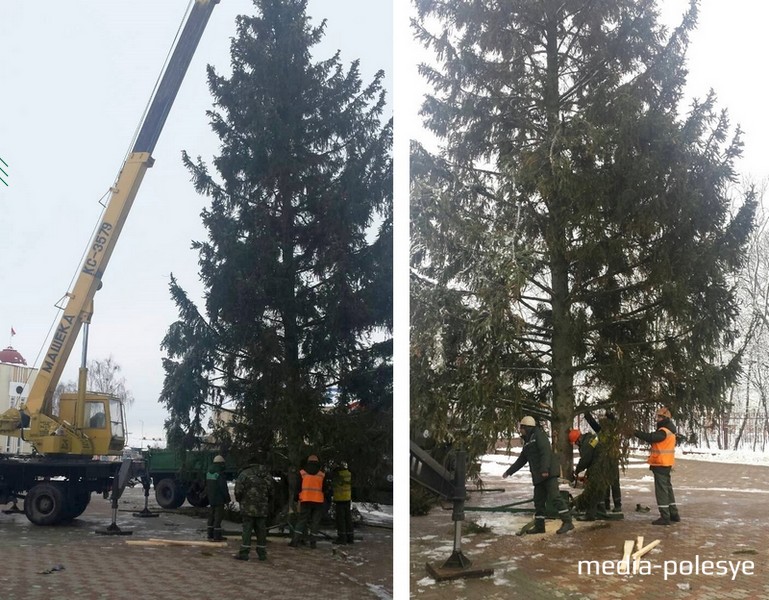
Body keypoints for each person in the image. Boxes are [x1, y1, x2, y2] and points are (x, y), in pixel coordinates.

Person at [502, 416, 574, 534]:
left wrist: (545, 469)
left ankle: (567, 522)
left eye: (522, 428)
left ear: (527, 427)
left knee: (555, 497)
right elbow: (522, 460)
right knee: (539, 501)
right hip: (538, 476)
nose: (520, 430)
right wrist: (509, 471)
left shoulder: (539, 436)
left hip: (548, 474)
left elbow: (545, 452)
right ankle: (540, 526)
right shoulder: (528, 442)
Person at [634, 407, 680, 525]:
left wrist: (634, 432)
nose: (657, 419)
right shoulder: (670, 430)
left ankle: (665, 516)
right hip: (666, 463)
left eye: (659, 417)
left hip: (661, 463)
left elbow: (650, 438)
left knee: (661, 491)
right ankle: (673, 514)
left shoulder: (664, 431)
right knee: (667, 489)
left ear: (664, 418)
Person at [233, 458, 274, 561]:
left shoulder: (244, 474)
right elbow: (272, 492)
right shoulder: (267, 475)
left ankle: (244, 553)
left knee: (247, 530)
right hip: (262, 508)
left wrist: (241, 501)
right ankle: (262, 554)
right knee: (261, 530)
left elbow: (238, 491)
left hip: (248, 508)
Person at [585, 410, 622, 512]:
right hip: (605, 460)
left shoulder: (612, 431)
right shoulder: (601, 432)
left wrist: (609, 415)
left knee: (613, 482)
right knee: (606, 482)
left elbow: (612, 423)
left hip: (612, 459)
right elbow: (594, 425)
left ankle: (616, 505)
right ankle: (608, 504)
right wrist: (587, 415)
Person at [568, 428, 607, 521]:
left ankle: (590, 514)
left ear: (578, 440)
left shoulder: (586, 444)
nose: (577, 445)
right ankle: (601, 511)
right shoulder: (591, 439)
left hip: (598, 467)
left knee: (592, 490)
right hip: (603, 465)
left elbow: (585, 459)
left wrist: (577, 471)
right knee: (599, 489)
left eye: (576, 443)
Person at [289, 454, 326, 548]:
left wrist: (296, 499)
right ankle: (313, 543)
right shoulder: (322, 474)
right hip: (318, 501)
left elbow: (298, 487)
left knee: (302, 520)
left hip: (305, 500)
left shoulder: (302, 473)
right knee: (315, 522)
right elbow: (325, 489)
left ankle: (295, 541)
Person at [206, 454, 231, 541]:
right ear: (221, 463)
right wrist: (227, 499)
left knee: (211, 516)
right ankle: (217, 536)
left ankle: (210, 534)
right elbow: (223, 487)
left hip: (211, 498)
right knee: (218, 517)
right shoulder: (220, 473)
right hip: (219, 499)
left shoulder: (209, 472)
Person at [332, 461, 354, 544]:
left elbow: (334, 485)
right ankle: (350, 537)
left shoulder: (337, 474)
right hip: (347, 498)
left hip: (339, 499)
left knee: (340, 520)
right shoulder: (349, 473)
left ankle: (342, 538)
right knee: (348, 518)